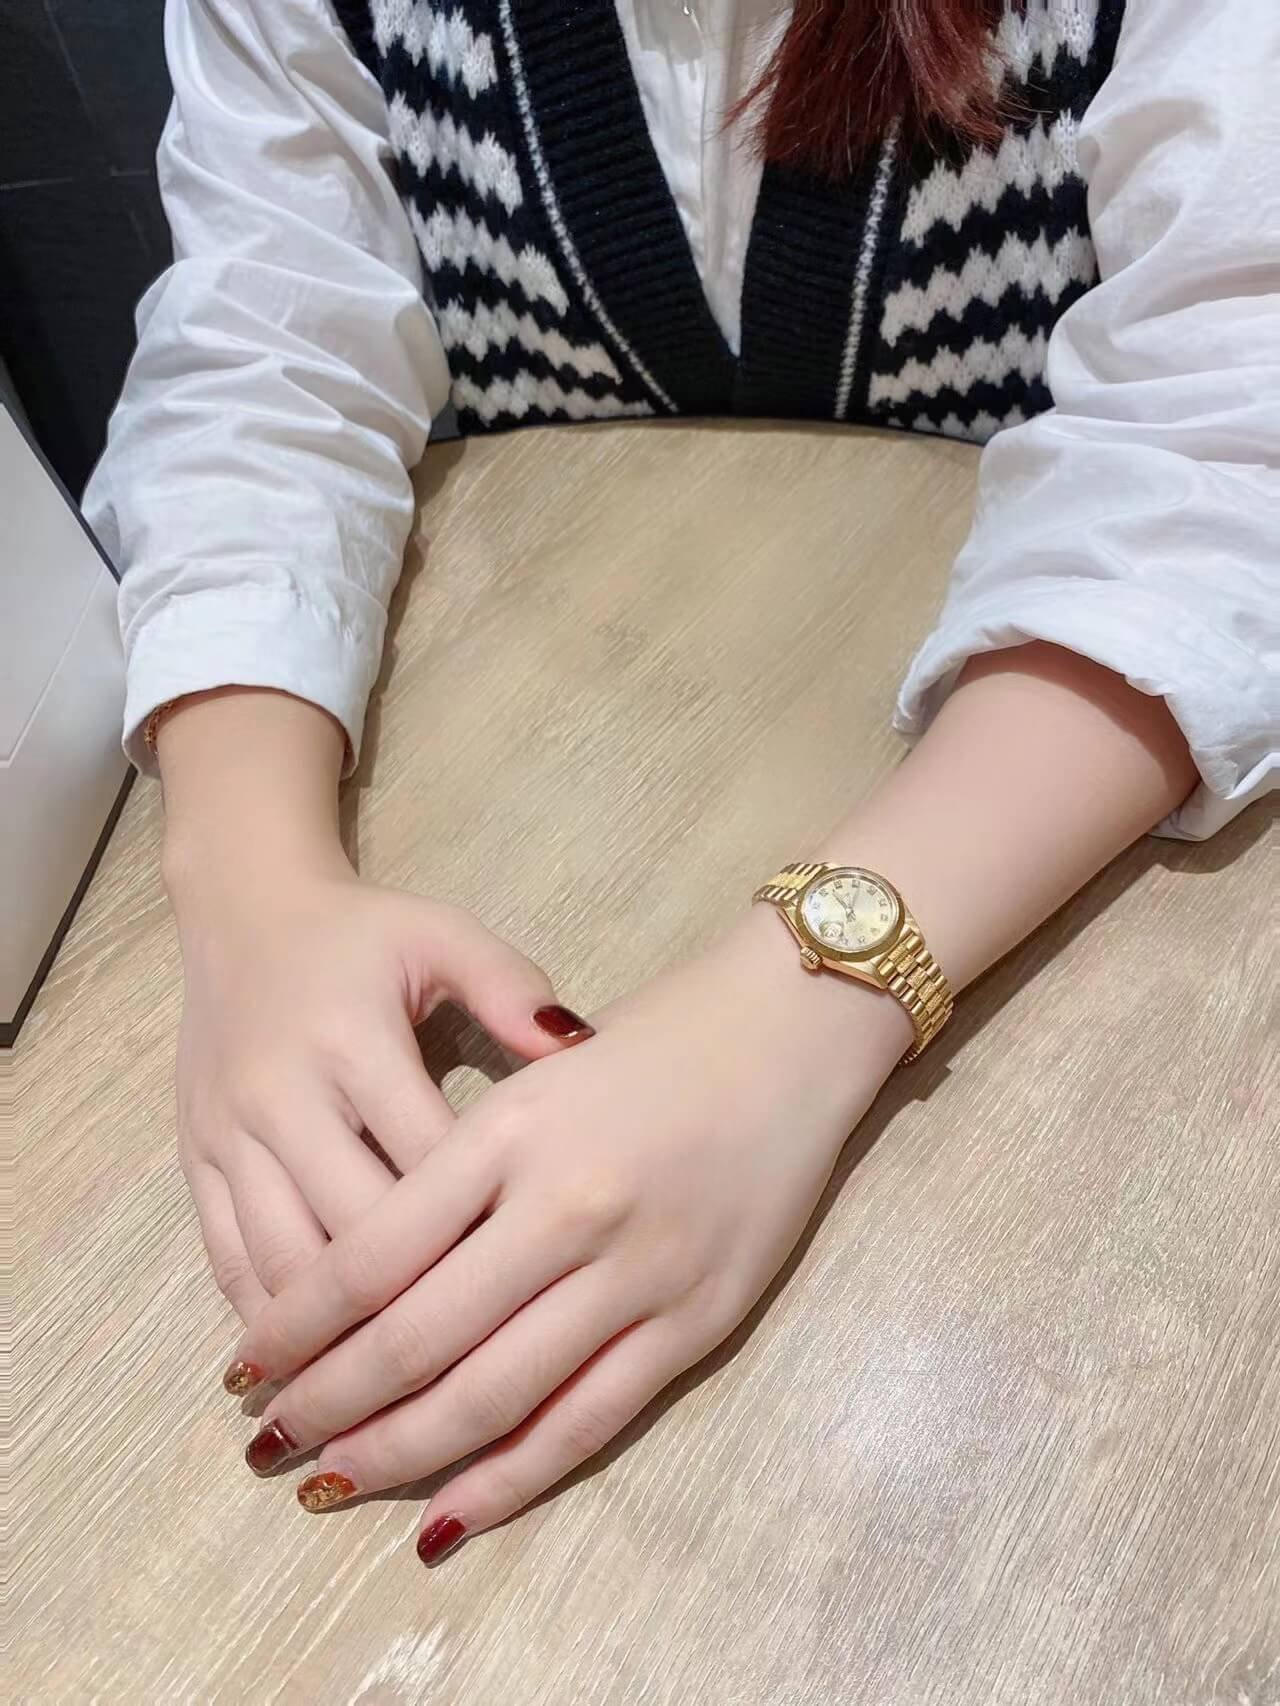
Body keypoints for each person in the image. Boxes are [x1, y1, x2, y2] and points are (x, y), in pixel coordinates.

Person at [85, 0, 1276, 1567]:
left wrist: (796, 1010)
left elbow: (1232, 436)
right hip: (535, 727)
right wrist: (247, 881)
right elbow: (265, 346)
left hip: (1088, 925)